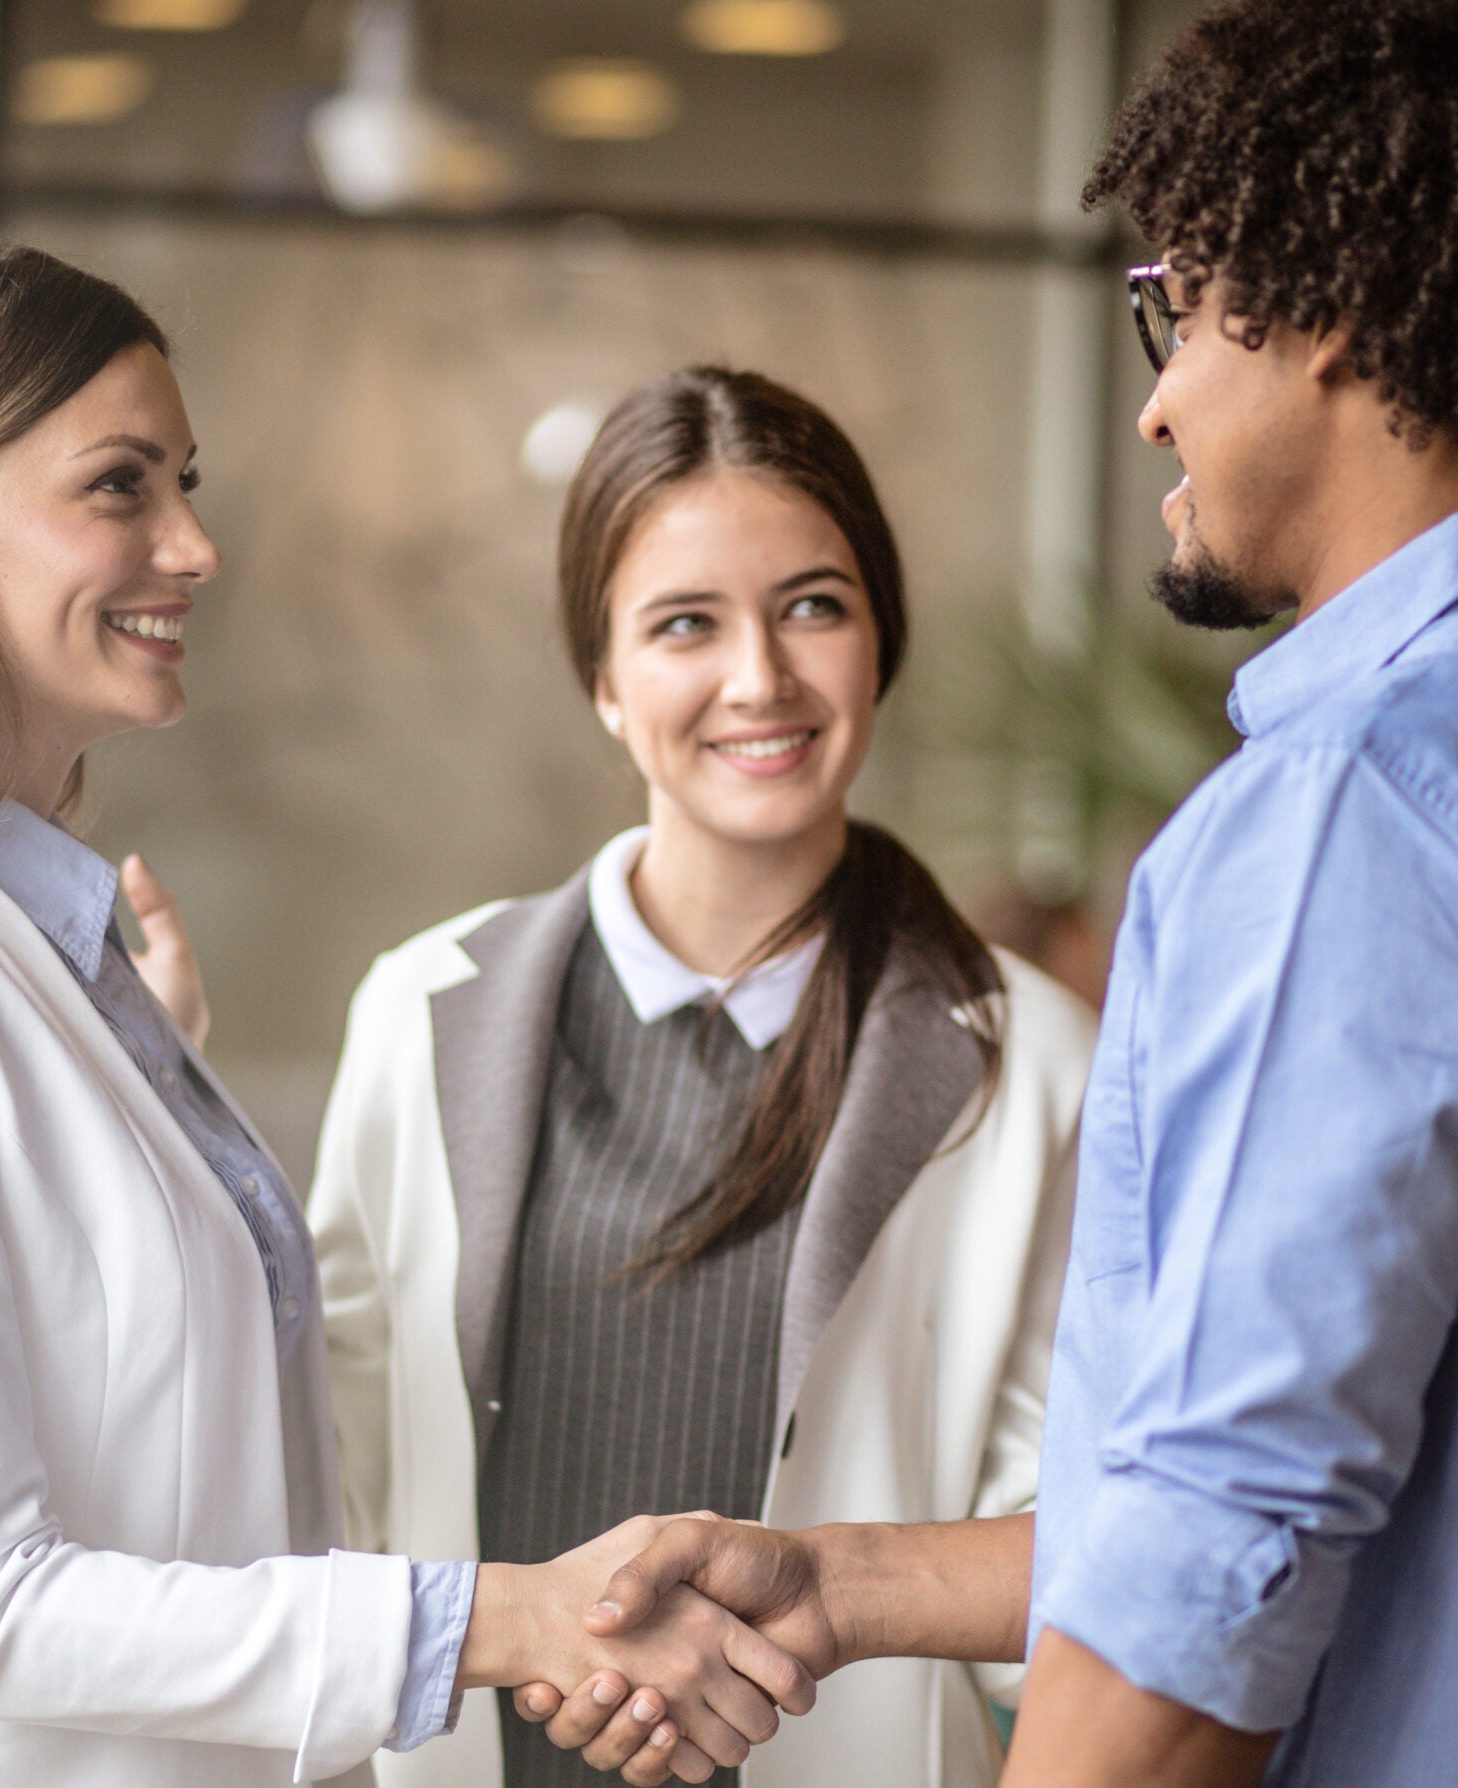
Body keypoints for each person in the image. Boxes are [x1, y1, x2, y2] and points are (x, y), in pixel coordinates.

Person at [540, 3, 1458, 1785]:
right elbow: (1428, 1485)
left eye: (1174, 306)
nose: (1152, 396)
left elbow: (1215, 1562)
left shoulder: (1352, 815)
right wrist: (832, 1577)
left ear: (1323, 310)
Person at [0, 245, 807, 1788]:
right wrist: (503, 1624)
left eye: (184, 481)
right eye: (120, 485)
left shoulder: (56, 963)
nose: (194, 545)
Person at [306, 365, 1096, 1788]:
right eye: (685, 624)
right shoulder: (418, 1014)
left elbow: (1071, 1535)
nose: (761, 679)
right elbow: (338, 1476)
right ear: (604, 682)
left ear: (880, 642)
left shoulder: (1030, 1060)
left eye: (814, 606)